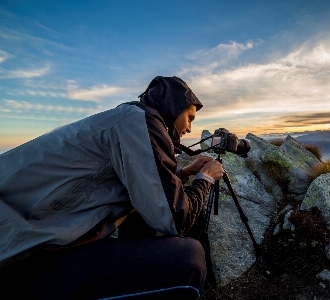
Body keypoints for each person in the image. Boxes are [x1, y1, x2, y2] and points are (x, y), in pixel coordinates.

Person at [0, 76, 223, 299]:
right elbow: (175, 219)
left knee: (138, 211)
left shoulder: (123, 118)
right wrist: (205, 179)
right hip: (26, 255)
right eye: (189, 118)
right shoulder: (141, 122)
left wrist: (182, 173)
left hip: (23, 237)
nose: (189, 128)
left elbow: (125, 176)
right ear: (173, 106)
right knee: (190, 259)